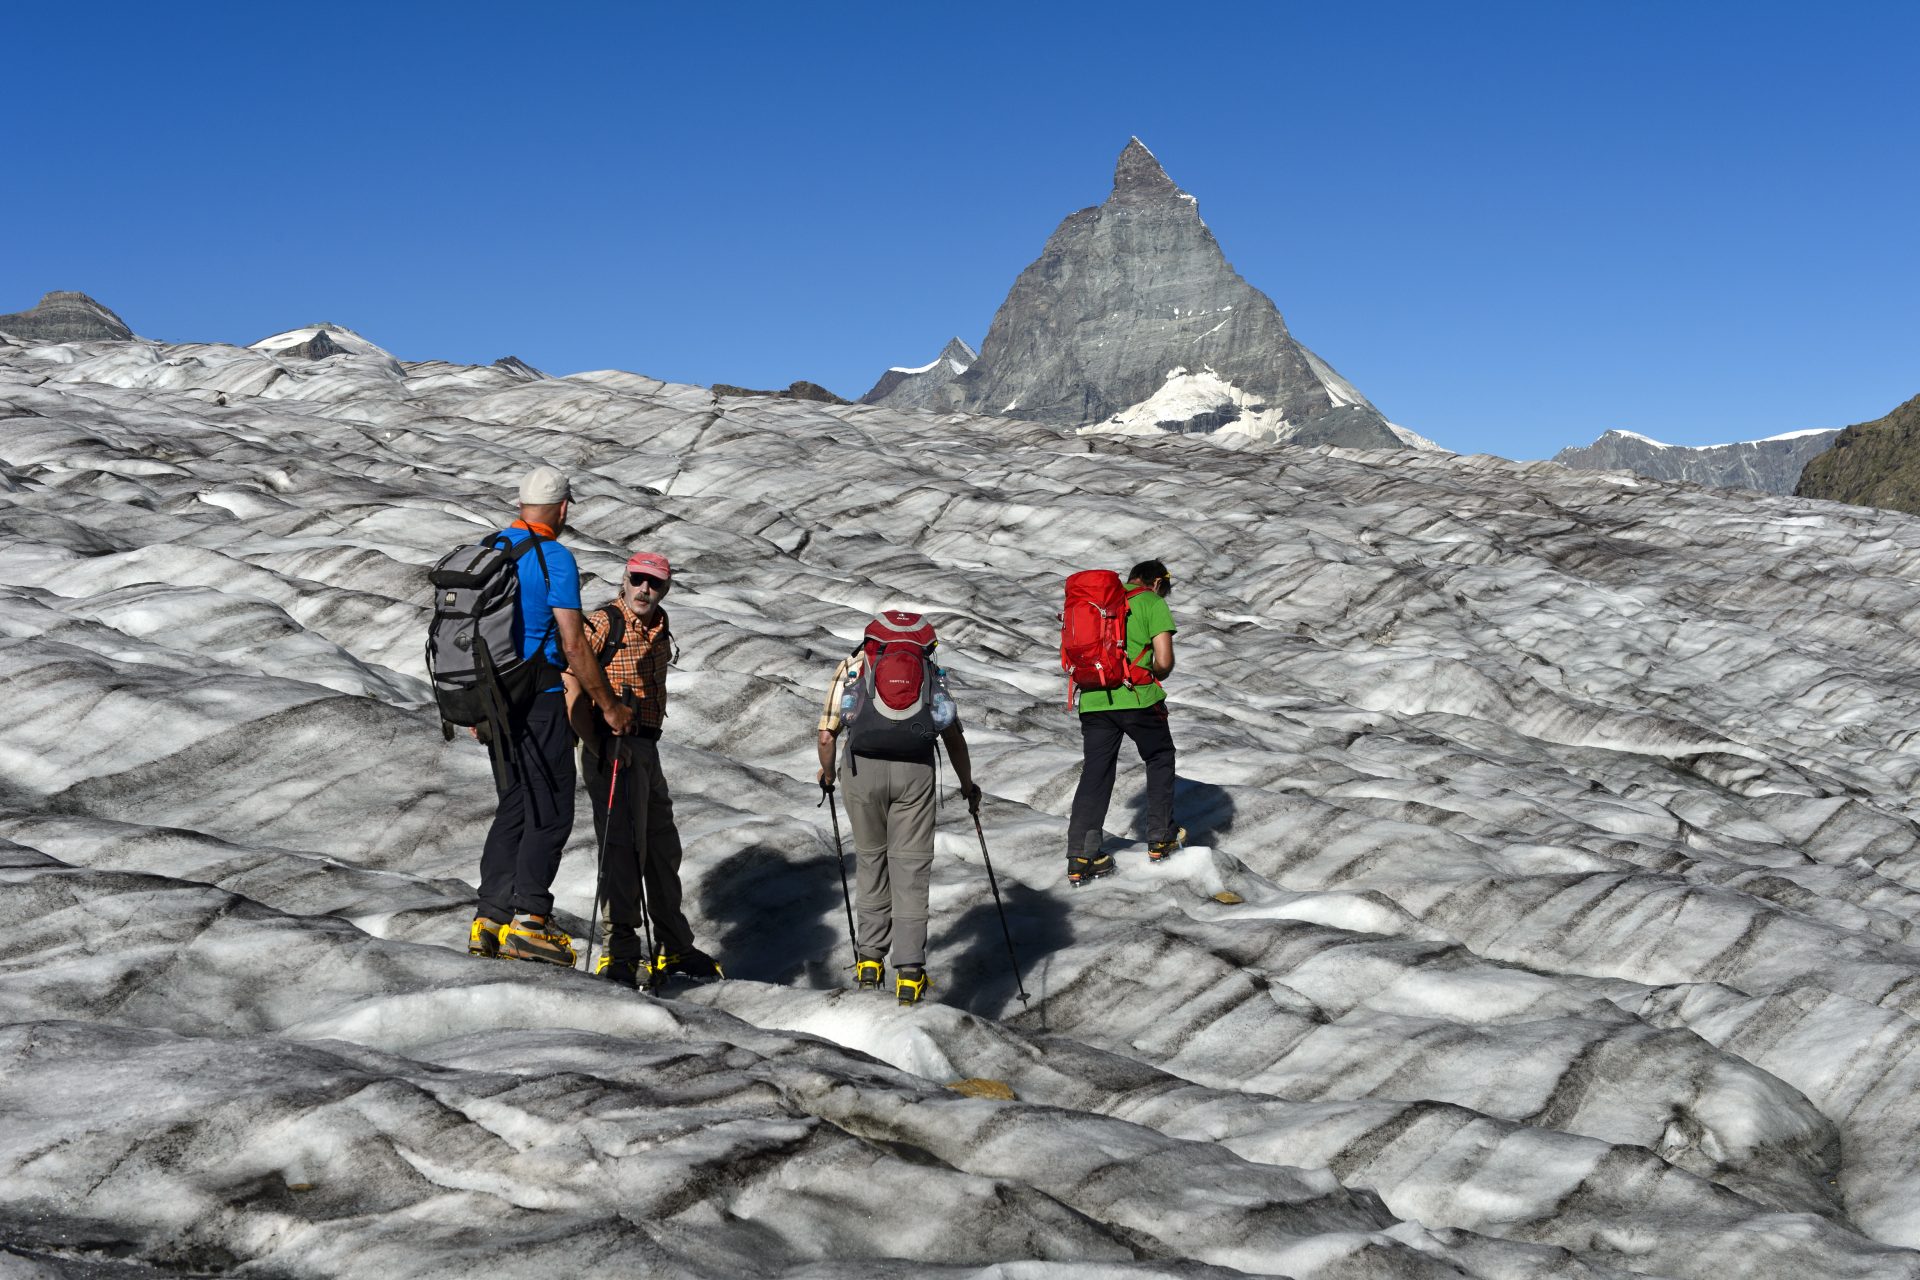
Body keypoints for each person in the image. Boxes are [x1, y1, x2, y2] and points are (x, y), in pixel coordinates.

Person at [471, 465, 634, 964]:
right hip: (538, 695)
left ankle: (488, 921)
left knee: (515, 804)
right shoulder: (553, 557)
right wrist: (609, 705)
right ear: (563, 508)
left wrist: (479, 706)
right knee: (551, 807)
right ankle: (530, 922)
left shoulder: (486, 550)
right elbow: (573, 643)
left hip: (490, 700)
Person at [817, 610, 981, 1005]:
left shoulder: (854, 667)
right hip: (915, 773)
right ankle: (909, 972)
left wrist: (827, 775)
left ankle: (869, 960)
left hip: (861, 771)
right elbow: (952, 734)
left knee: (872, 860)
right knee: (909, 867)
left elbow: (827, 735)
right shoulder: (928, 670)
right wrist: (966, 784)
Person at [576, 551, 720, 988]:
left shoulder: (659, 625)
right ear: (624, 581)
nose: (644, 589)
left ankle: (673, 943)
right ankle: (619, 949)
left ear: (666, 588)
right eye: (637, 579)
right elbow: (570, 675)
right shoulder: (603, 622)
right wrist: (596, 742)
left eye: (654, 583)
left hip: (646, 746)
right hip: (613, 747)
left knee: (660, 844)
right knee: (621, 847)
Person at [1065, 559, 1180, 885]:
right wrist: (1153, 672)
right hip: (1138, 698)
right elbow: (1164, 661)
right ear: (1157, 582)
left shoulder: (1100, 602)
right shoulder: (1151, 601)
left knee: (1096, 772)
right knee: (1159, 756)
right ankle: (1161, 838)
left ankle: (1081, 856)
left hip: (1094, 700)